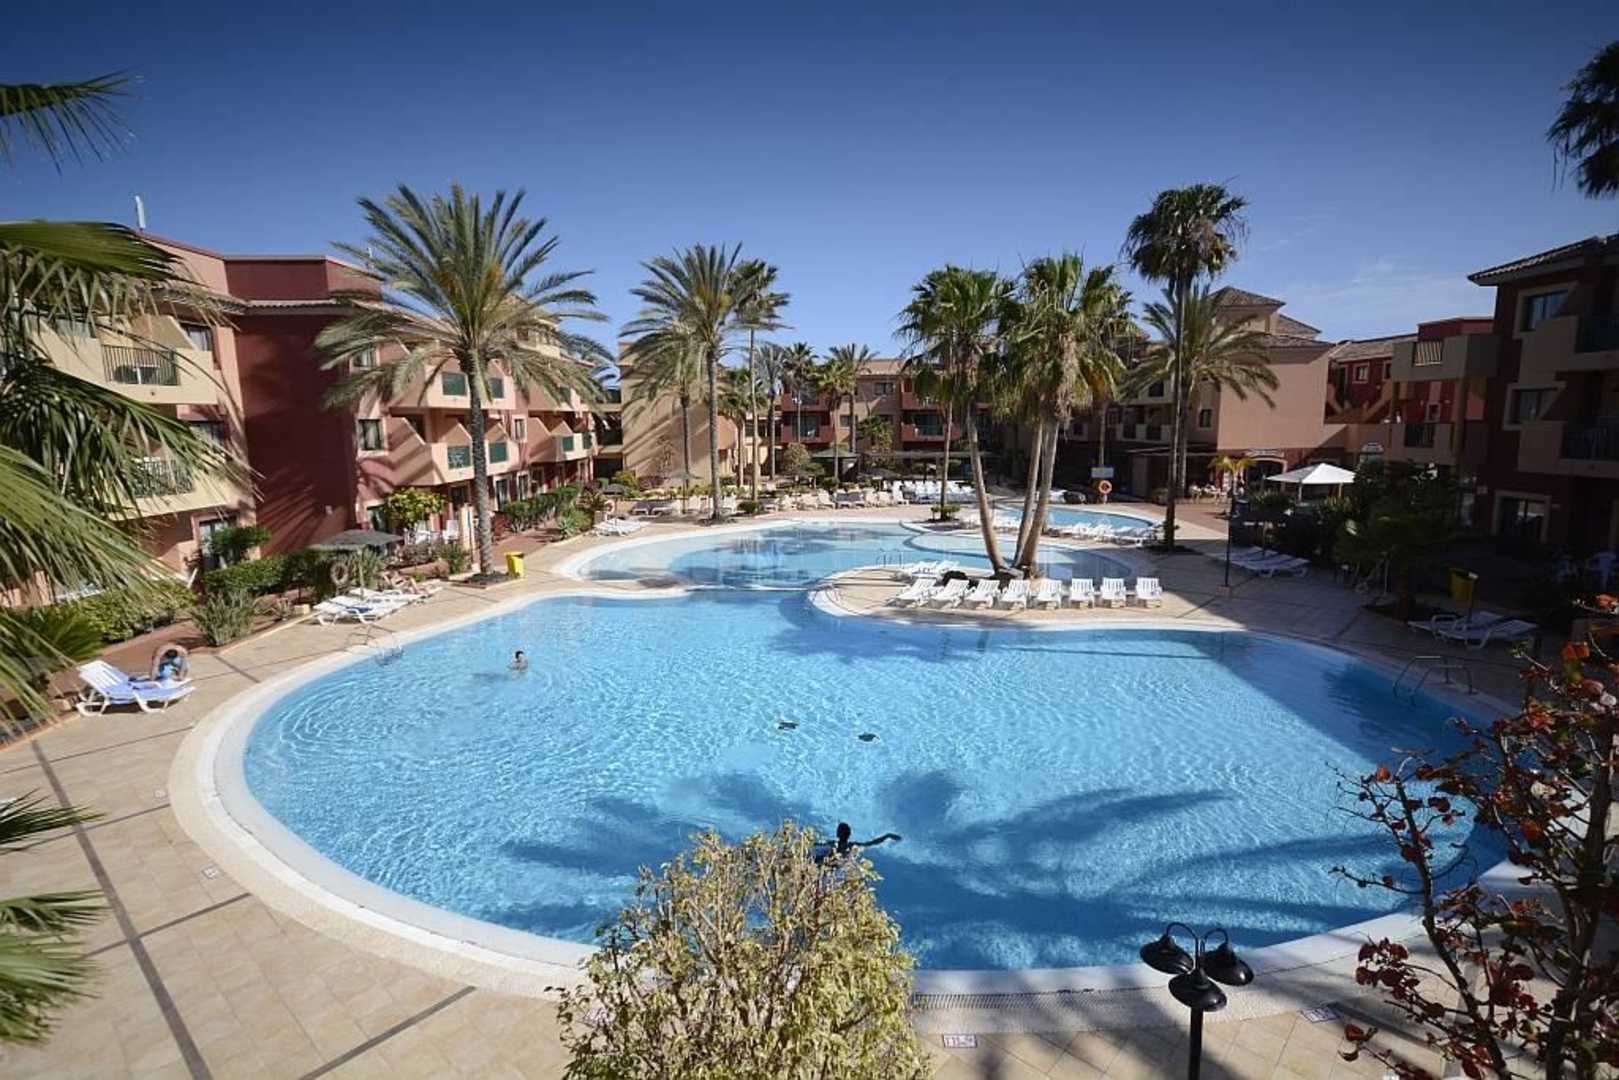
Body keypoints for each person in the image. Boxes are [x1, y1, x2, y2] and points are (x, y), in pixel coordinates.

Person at [814, 822, 901, 865]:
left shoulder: (851, 845)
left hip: (833, 867)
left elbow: (871, 843)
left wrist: (887, 836)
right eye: (838, 830)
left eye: (839, 830)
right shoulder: (832, 843)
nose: (837, 832)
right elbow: (816, 845)